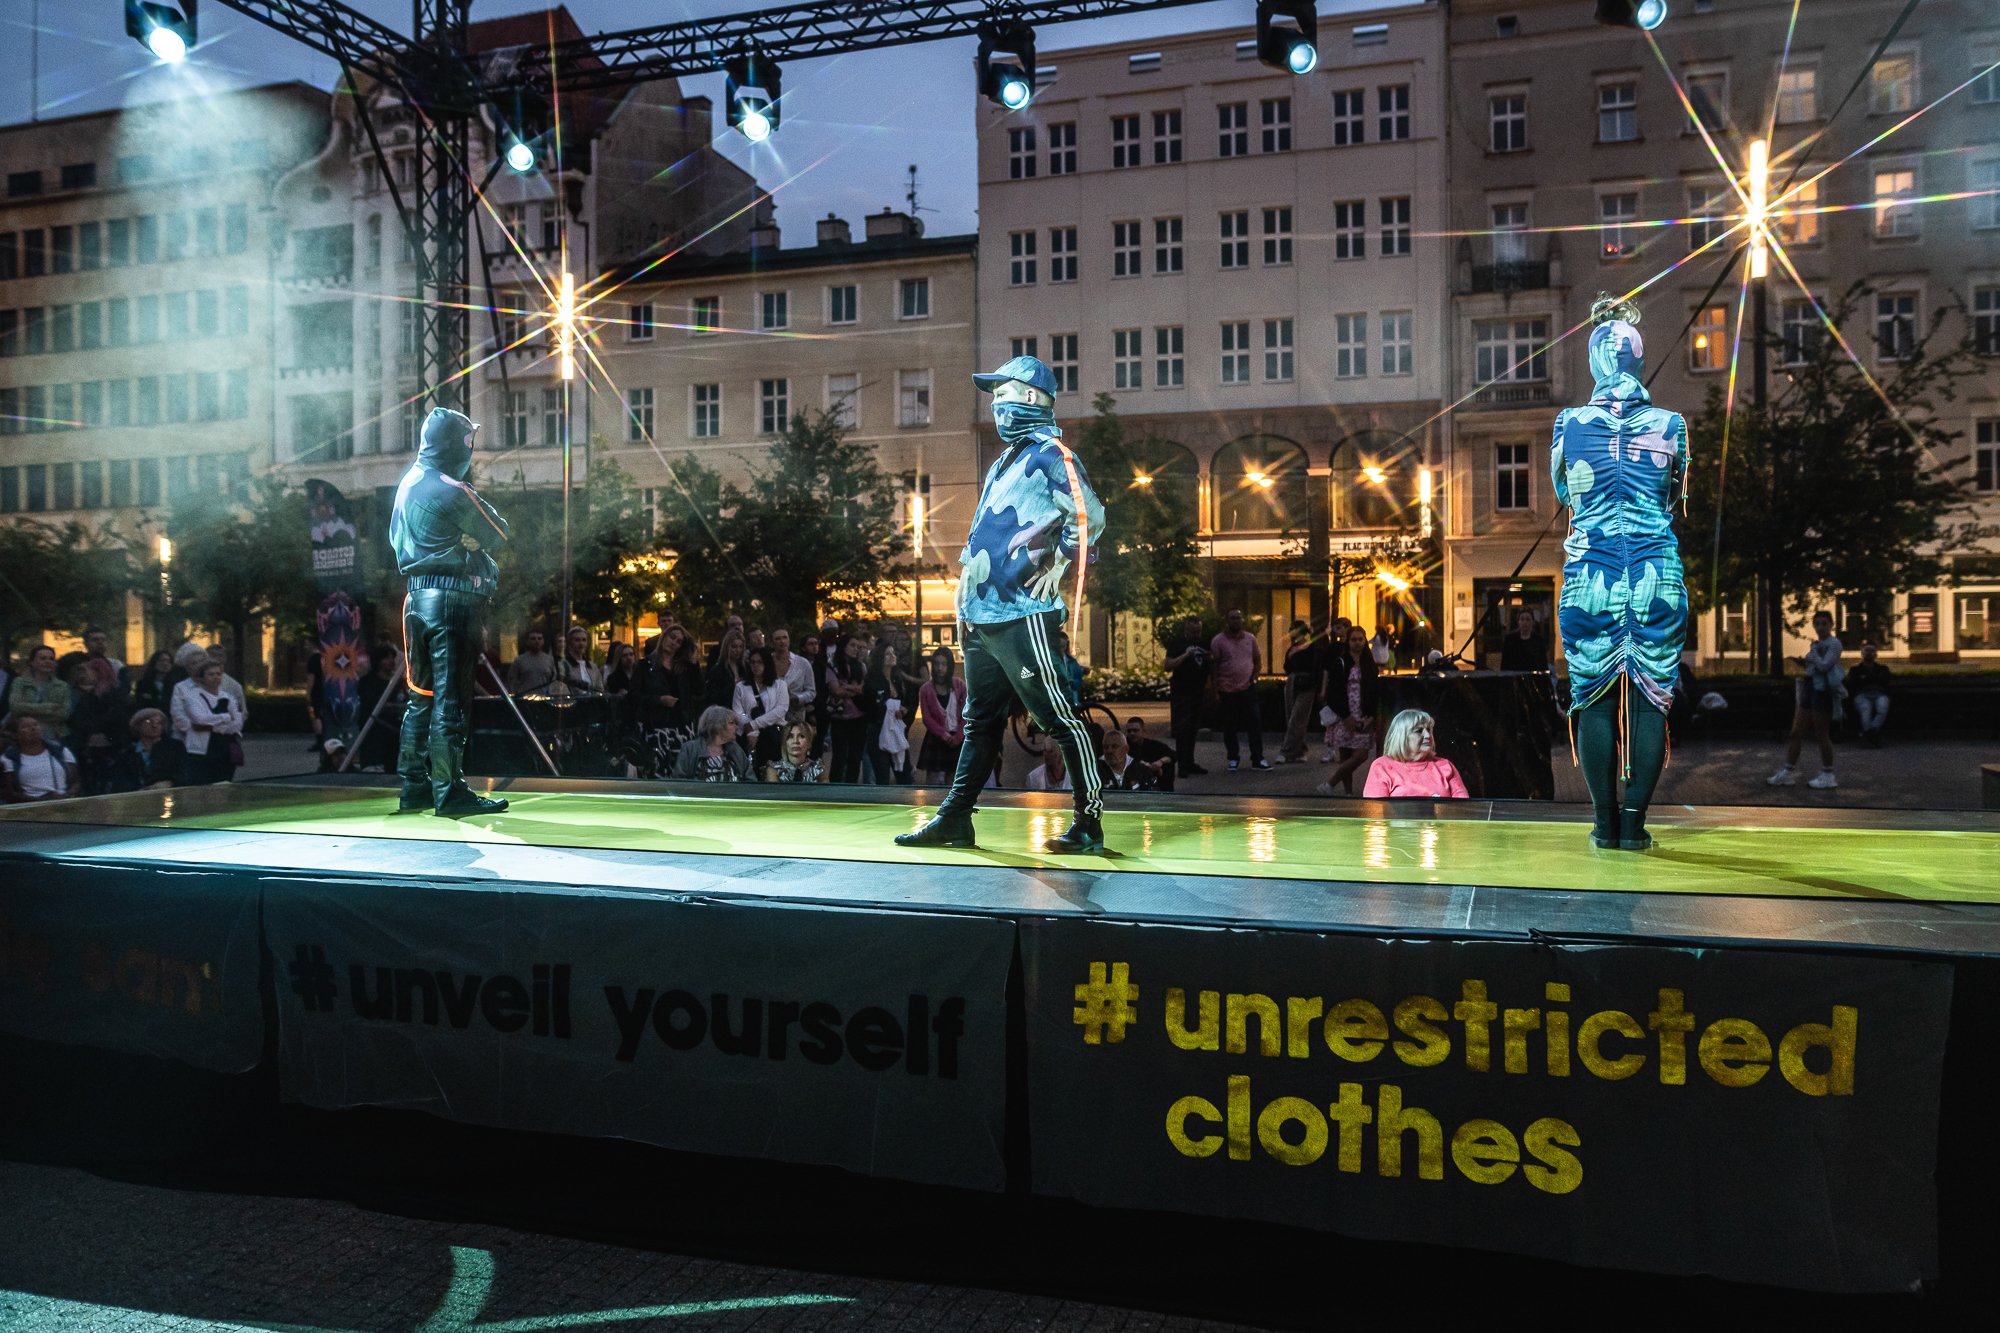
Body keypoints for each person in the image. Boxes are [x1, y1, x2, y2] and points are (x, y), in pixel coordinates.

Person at [895, 355, 1109, 854]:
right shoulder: (1003, 462)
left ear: (1033, 397)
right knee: (981, 720)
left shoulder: (1053, 454)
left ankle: (1089, 822)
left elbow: (1090, 515)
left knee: (1057, 717)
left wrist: (1061, 562)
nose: (995, 405)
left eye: (1003, 394)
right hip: (982, 614)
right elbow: (983, 532)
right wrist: (963, 593)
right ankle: (955, 818)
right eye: (993, 397)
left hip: (1021, 611)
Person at [1555, 297, 1690, 849]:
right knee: (1652, 699)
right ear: (1639, 360)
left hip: (1590, 575)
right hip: (1657, 574)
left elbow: (1566, 492)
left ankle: (1603, 824)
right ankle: (1634, 827)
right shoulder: (1671, 425)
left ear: (1594, 362)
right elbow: (1674, 495)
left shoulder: (1569, 423)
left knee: (1593, 698)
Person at [392, 406, 512, 817]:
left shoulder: (407, 485)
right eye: (467, 440)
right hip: (451, 601)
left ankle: (414, 787)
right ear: (454, 443)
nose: (471, 448)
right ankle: (449, 791)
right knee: (451, 699)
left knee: (420, 698)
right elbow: (498, 531)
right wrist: (467, 538)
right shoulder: (450, 488)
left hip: (414, 600)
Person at [1768, 610, 1843, 789]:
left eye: (1824, 623)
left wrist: (1814, 651)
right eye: (1817, 623)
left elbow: (1824, 666)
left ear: (1831, 625)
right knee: (1796, 731)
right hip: (1809, 686)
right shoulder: (1817, 644)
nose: (1820, 627)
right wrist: (1803, 662)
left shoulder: (1834, 643)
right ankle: (1788, 773)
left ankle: (1828, 775)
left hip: (1822, 690)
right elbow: (1815, 665)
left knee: (1821, 733)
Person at [1317, 624, 1381, 796]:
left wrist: (1371, 717)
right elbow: (1334, 692)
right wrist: (1346, 716)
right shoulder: (1341, 662)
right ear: (1348, 642)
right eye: (1354, 639)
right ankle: (1348, 793)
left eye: (1360, 639)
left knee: (1361, 755)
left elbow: (1374, 692)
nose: (1357, 643)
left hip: (1363, 715)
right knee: (1345, 755)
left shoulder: (1369, 664)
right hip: (1344, 715)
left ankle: (1330, 784)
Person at [1363, 709, 1469, 798]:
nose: (1427, 735)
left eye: (1428, 730)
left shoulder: (1445, 766)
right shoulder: (1382, 766)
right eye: (1419, 731)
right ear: (1402, 736)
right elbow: (1375, 810)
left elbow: (1464, 808)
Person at [1210, 607, 1267, 771]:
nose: (1236, 621)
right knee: (1230, 725)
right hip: (1227, 689)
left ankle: (1258, 758)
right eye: (1232, 618)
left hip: (1247, 688)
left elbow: (1257, 660)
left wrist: (1254, 678)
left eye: (1238, 618)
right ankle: (1233, 758)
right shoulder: (1218, 641)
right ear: (1227, 620)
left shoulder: (1250, 638)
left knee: (1254, 722)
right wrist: (1215, 689)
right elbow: (1214, 666)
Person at [171, 658, 246, 784]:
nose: (216, 677)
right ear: (202, 677)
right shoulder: (193, 698)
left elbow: (238, 723)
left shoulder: (229, 698)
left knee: (223, 784)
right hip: (200, 750)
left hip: (225, 749)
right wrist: (225, 717)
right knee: (201, 784)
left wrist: (215, 727)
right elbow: (199, 719)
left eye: (218, 674)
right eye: (211, 674)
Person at [66, 659, 128, 794]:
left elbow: (119, 720)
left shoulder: (117, 694)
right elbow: (78, 721)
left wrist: (102, 732)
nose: (86, 674)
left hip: (113, 749)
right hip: (91, 751)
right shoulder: (87, 697)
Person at [1162, 615, 1210, 778]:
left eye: (1198, 632)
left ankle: (1190, 762)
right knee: (1182, 729)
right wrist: (1185, 656)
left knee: (1193, 728)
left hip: (1198, 691)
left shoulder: (1204, 644)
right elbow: (1167, 666)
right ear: (1186, 630)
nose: (1196, 635)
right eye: (1192, 632)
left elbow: (1210, 664)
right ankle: (1182, 764)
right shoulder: (1177, 644)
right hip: (1181, 692)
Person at [863, 640, 912, 785]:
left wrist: (902, 710)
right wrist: (895, 707)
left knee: (904, 775)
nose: (892, 656)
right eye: (887, 654)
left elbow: (906, 701)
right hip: (878, 729)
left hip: (896, 729)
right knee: (882, 776)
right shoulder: (872, 680)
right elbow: (873, 704)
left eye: (893, 653)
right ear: (879, 657)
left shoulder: (897, 679)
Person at [917, 648, 967, 785]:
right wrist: (944, 735)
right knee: (932, 778)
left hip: (956, 737)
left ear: (949, 665)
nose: (940, 668)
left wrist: (959, 736)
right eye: (937, 664)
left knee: (953, 779)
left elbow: (966, 713)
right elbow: (927, 718)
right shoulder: (926, 689)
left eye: (944, 664)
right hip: (936, 737)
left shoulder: (960, 685)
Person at [733, 646, 789, 768]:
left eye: (760, 662)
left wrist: (754, 725)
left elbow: (780, 710)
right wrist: (752, 731)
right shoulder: (741, 687)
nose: (756, 666)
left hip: (773, 735)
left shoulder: (780, 685)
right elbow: (738, 711)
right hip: (749, 736)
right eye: (753, 662)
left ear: (767, 664)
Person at [669, 704, 756, 782]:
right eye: (731, 723)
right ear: (718, 726)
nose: (736, 727)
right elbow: (679, 782)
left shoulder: (734, 748)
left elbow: (750, 781)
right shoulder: (690, 749)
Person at [2, 716, 79, 802]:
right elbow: (10, 793)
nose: (32, 728)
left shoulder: (61, 752)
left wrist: (67, 796)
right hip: (31, 806)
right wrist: (40, 800)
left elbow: (75, 782)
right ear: (17, 735)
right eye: (25, 726)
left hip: (63, 803)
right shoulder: (10, 758)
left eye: (35, 725)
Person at [352, 646, 404, 771]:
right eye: (386, 658)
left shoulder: (398, 682)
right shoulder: (368, 682)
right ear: (378, 661)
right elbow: (375, 706)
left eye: (392, 658)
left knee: (391, 768)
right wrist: (393, 707)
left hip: (393, 734)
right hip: (374, 735)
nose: (391, 661)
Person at [825, 634, 868, 782]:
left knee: (855, 757)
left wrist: (848, 687)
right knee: (839, 756)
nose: (856, 649)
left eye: (858, 646)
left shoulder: (861, 667)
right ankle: (835, 787)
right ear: (843, 647)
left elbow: (864, 689)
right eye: (853, 645)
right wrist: (856, 689)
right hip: (840, 717)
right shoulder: (833, 666)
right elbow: (836, 690)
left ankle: (852, 786)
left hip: (859, 716)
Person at [111, 707, 185, 791]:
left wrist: (169, 782)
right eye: (148, 721)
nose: (154, 725)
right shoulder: (127, 753)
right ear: (137, 726)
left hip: (168, 793)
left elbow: (184, 772)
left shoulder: (175, 747)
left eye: (159, 722)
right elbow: (120, 781)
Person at [1278, 619, 1320, 764]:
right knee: (1292, 716)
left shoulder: (1312, 647)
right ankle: (1300, 750)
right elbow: (1287, 668)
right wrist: (1290, 658)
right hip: (1293, 682)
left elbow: (1316, 667)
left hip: (1307, 683)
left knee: (1297, 717)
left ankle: (1285, 751)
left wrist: (1317, 686)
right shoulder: (1293, 648)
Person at [7, 645, 72, 736]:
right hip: (25, 735)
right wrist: (49, 707)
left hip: (55, 734)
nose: (47, 661)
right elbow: (15, 707)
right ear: (32, 662)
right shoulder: (20, 682)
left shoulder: (62, 686)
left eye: (51, 659)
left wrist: (27, 710)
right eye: (43, 658)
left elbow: (64, 713)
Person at [1847, 641, 1892, 748]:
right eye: (1867, 650)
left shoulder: (1883, 669)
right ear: (1862, 653)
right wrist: (1874, 679)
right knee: (1865, 710)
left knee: (1882, 708)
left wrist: (1865, 679)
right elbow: (1853, 684)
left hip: (1880, 695)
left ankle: (1868, 733)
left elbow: (1885, 682)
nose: (1869, 653)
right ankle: (1873, 735)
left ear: (1876, 654)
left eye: (1872, 650)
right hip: (1862, 695)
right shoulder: (1855, 670)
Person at [770, 627, 816, 729]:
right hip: (771, 715)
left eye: (785, 637)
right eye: (778, 638)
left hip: (795, 714)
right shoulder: (766, 662)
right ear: (772, 643)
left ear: (789, 640)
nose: (782, 641)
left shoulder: (802, 663)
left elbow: (811, 692)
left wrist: (797, 698)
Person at [1122, 716, 1177, 793]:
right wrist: (1148, 766)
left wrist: (1160, 762)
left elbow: (1173, 754)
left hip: (1153, 776)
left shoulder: (1152, 745)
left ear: (1143, 731)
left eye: (1135, 730)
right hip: (1133, 777)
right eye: (1129, 731)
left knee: (1168, 764)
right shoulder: (1123, 746)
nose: (1132, 733)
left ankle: (1166, 792)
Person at [1098, 726, 1161, 792]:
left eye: (1114, 747)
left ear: (1126, 749)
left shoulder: (1142, 771)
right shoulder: (1095, 770)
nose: (1109, 751)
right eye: (1106, 747)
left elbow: (1153, 795)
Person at [706, 628, 750, 709]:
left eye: (741, 647)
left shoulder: (745, 667)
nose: (738, 650)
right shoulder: (718, 669)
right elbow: (712, 697)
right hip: (726, 709)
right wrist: (733, 687)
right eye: (734, 647)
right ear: (727, 647)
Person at [82, 626, 127, 701]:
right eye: (95, 640)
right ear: (86, 643)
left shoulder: (116, 665)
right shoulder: (80, 665)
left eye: (103, 639)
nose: (100, 643)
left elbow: (124, 689)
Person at [506, 630, 557, 695]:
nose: (537, 641)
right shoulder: (519, 660)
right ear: (527, 642)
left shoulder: (550, 660)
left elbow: (555, 681)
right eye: (533, 639)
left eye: (539, 638)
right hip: (525, 698)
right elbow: (512, 681)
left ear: (543, 641)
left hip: (544, 698)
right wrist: (514, 696)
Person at [1499, 608, 1548, 673]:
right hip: (1514, 676)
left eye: (1528, 619)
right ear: (1518, 622)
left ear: (1532, 622)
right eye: (1522, 619)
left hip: (1533, 676)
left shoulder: (1539, 640)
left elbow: (1543, 663)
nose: (1525, 622)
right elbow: (1504, 663)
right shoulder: (1510, 640)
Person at [556, 626, 602, 694]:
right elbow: (561, 691)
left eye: (584, 640)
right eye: (577, 640)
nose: (581, 643)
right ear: (570, 643)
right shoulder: (562, 665)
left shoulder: (592, 667)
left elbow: (600, 690)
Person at [131, 651, 176, 715]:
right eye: (161, 660)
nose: (165, 663)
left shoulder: (175, 685)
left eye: (168, 661)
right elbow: (141, 704)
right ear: (154, 662)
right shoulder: (143, 684)